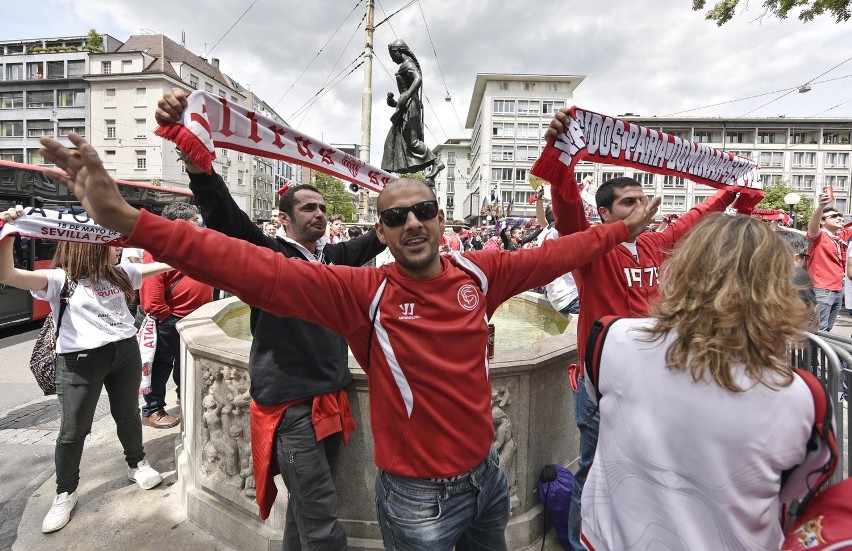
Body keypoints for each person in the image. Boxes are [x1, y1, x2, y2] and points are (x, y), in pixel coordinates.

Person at [39, 132, 660, 551]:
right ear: (380, 233)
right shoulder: (358, 290)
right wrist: (126, 220)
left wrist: (620, 231)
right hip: (418, 499)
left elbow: (566, 251)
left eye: (424, 211)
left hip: (488, 480)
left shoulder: (483, 273)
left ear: (442, 220)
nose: (412, 223)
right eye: (395, 217)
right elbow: (242, 262)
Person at [156, 86, 387, 551]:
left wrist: (404, 197)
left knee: (305, 514)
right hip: (292, 410)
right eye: (309, 207)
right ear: (283, 219)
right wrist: (196, 157)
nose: (320, 214)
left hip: (331, 401)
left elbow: (381, 236)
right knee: (322, 522)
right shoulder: (267, 257)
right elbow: (225, 218)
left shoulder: (337, 258)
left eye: (323, 208)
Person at [546, 108, 740, 551]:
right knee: (593, 470)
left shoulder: (655, 243)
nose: (642, 209)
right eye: (628, 203)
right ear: (604, 213)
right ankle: (580, 543)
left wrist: (730, 190)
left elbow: (698, 217)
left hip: (654, 381)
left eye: (643, 200)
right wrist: (561, 155)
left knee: (645, 468)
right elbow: (567, 206)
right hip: (602, 386)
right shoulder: (592, 247)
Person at [581, 214, 826, 549]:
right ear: (776, 286)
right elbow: (795, 487)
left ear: (684, 268)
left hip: (611, 538)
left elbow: (602, 403)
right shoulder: (796, 394)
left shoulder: (611, 339)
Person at [0, 211, 172, 534]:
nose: (118, 247)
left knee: (128, 415)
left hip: (125, 353)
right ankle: (65, 492)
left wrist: (185, 245)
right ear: (90, 245)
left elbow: (165, 264)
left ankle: (137, 464)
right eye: (112, 242)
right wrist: (7, 229)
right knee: (73, 430)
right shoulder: (58, 281)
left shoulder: (121, 274)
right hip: (79, 361)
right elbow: (7, 274)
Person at [140, 203, 213, 428]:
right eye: (194, 222)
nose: (198, 225)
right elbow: (151, 288)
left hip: (194, 317)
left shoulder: (193, 245)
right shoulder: (158, 248)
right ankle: (152, 409)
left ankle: (185, 397)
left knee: (186, 363)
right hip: (171, 319)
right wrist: (163, 316)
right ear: (179, 224)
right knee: (162, 365)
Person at [381, 39, 437, 174]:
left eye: (392, 56)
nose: (393, 60)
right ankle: (386, 175)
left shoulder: (408, 64)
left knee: (412, 142)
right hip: (405, 105)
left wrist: (407, 96)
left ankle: (437, 163)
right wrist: (393, 102)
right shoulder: (404, 66)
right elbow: (404, 93)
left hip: (410, 105)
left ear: (399, 51)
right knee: (392, 140)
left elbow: (418, 79)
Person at [806, 195, 852, 331]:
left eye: (840, 215)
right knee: (817, 331)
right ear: (822, 221)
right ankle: (813, 353)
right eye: (834, 216)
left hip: (837, 290)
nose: (839, 218)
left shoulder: (840, 236)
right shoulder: (819, 236)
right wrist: (821, 207)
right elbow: (812, 226)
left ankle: (820, 353)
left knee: (827, 331)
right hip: (821, 290)